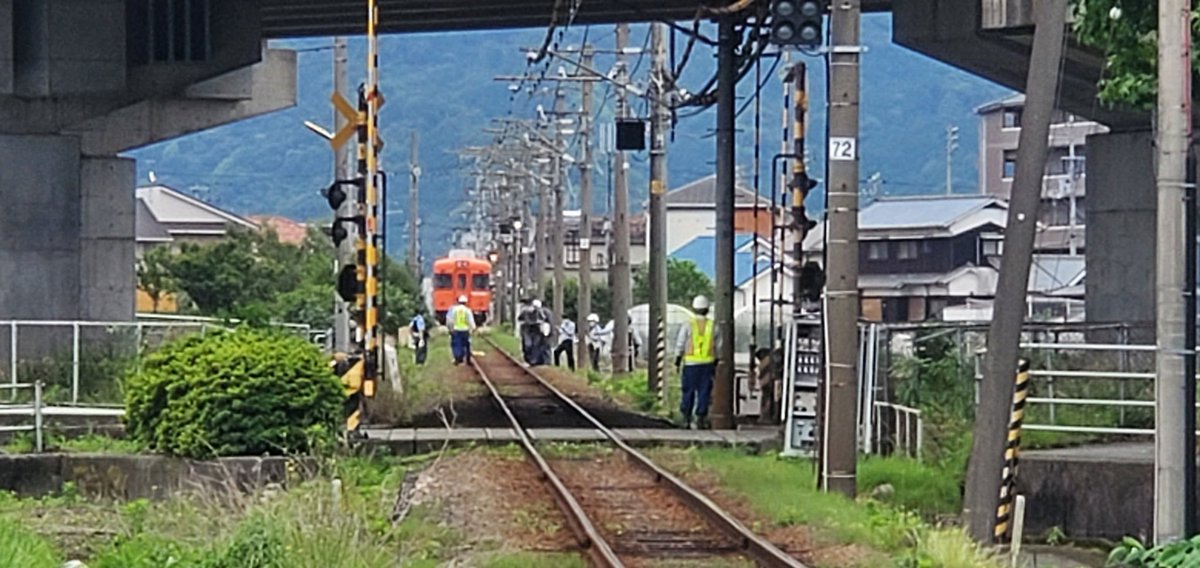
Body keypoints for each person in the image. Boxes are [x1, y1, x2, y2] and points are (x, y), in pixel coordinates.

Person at [675, 295, 717, 430]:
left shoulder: (688, 325)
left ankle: (686, 419)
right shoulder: (713, 325)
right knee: (704, 391)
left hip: (690, 365)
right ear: (707, 309)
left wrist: (677, 359)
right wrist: (718, 360)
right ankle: (701, 419)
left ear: (694, 309)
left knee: (688, 391)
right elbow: (719, 345)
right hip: (707, 364)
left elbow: (681, 343)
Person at [447, 295, 476, 365]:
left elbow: (450, 320)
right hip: (465, 330)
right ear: (465, 302)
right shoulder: (467, 310)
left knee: (457, 344)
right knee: (467, 345)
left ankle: (458, 358)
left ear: (458, 302)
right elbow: (470, 320)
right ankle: (468, 358)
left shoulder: (454, 310)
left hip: (456, 330)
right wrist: (473, 328)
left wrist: (450, 328)